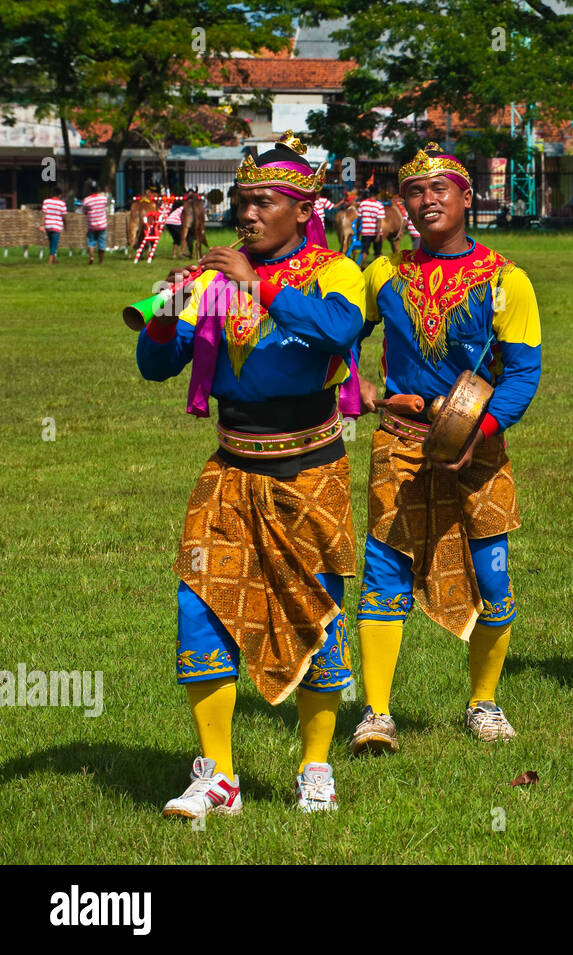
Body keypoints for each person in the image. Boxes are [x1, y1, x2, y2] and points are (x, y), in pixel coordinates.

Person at [135, 131, 365, 815]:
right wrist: (160, 320)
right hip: (230, 469)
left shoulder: (336, 270)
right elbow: (159, 366)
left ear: (303, 209)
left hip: (309, 473)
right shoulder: (212, 278)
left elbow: (338, 331)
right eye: (242, 200)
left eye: (263, 201)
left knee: (316, 614)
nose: (248, 213)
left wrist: (254, 285)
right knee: (199, 604)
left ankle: (315, 766)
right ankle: (219, 775)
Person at [348, 147, 541, 750]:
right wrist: (361, 387)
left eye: (440, 188)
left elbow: (523, 374)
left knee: (494, 578)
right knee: (385, 569)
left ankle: (483, 703)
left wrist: (477, 433)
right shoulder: (382, 275)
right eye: (414, 192)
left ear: (466, 197)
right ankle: (377, 713)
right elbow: (337, 336)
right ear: (402, 206)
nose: (427, 200)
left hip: (479, 447)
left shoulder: (507, 280)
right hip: (400, 442)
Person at [82, 182, 110, 264]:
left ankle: (91, 256)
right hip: (102, 224)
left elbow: (84, 212)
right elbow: (105, 206)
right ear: (98, 189)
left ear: (90, 190)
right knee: (102, 242)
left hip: (92, 225)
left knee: (91, 241)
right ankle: (100, 261)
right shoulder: (104, 198)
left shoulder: (86, 200)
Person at [357, 189, 385, 263]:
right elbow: (379, 221)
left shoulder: (363, 204)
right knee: (378, 252)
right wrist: (378, 235)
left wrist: (358, 232)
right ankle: (376, 267)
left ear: (369, 194)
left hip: (366, 232)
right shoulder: (379, 205)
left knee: (364, 251)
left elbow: (359, 219)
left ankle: (362, 266)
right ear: (376, 195)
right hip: (376, 232)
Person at [42, 187, 67, 264]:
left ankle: (54, 260)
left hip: (48, 226)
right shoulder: (62, 203)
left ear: (52, 194)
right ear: (60, 195)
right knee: (54, 244)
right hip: (57, 226)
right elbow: (64, 216)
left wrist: (42, 224)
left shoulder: (46, 201)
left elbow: (44, 214)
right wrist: (66, 225)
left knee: (51, 243)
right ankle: (50, 261)